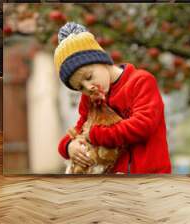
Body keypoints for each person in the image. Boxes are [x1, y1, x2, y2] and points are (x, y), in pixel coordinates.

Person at [54, 22, 171, 174]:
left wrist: (97, 135)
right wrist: (69, 146)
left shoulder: (141, 81)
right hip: (112, 182)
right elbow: (81, 128)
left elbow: (143, 125)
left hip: (150, 178)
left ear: (101, 60)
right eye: (80, 87)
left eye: (89, 77)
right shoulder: (89, 98)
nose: (88, 87)